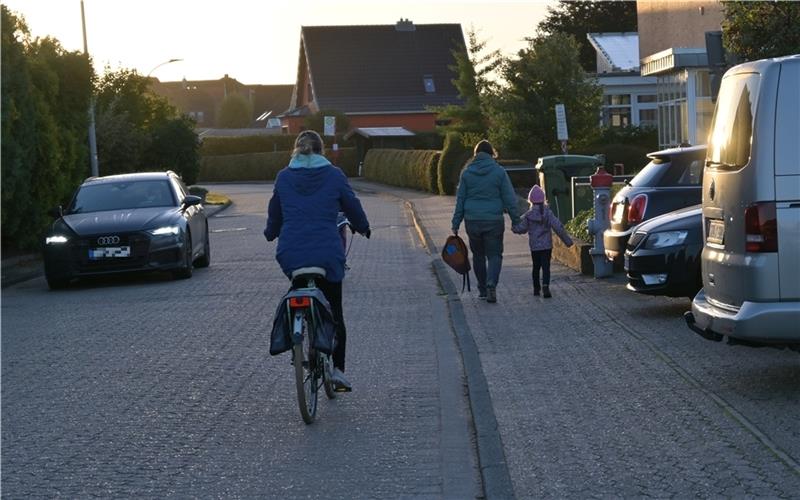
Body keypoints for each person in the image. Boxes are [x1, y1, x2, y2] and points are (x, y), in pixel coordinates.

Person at [264, 130, 370, 391]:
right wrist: (362, 226)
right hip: (326, 253)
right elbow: (352, 205)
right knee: (335, 309)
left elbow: (275, 214)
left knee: (297, 288)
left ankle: (296, 335)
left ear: (296, 150)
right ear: (321, 150)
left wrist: (270, 233)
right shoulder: (334, 174)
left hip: (292, 252)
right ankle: (338, 370)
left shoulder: (284, 177)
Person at [451, 140, 520, 303]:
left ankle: (482, 289)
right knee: (495, 255)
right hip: (494, 220)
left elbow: (460, 200)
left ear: (475, 155)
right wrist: (515, 220)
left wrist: (456, 223)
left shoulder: (467, 173)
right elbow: (509, 198)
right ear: (491, 154)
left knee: (478, 256)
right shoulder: (499, 172)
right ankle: (491, 284)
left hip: (472, 221)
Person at [512, 184, 573, 298]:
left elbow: (521, 228)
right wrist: (568, 241)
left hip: (535, 247)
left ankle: (536, 288)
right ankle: (545, 286)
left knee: (536, 267)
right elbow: (558, 227)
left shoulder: (528, 215)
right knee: (546, 267)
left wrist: (514, 227)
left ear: (530, 200)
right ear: (543, 199)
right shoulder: (548, 213)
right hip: (547, 246)